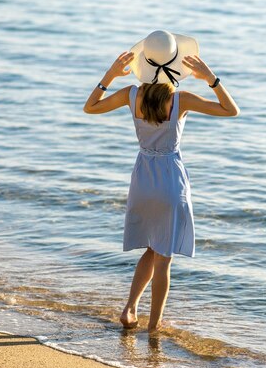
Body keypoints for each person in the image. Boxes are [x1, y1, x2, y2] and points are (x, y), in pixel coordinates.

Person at [83, 30, 240, 333]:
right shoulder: (180, 100)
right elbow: (230, 110)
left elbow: (90, 107)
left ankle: (129, 310)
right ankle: (153, 328)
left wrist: (110, 75)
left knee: (150, 250)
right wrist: (211, 78)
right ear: (176, 62)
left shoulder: (131, 95)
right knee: (163, 258)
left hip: (142, 180)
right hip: (169, 181)